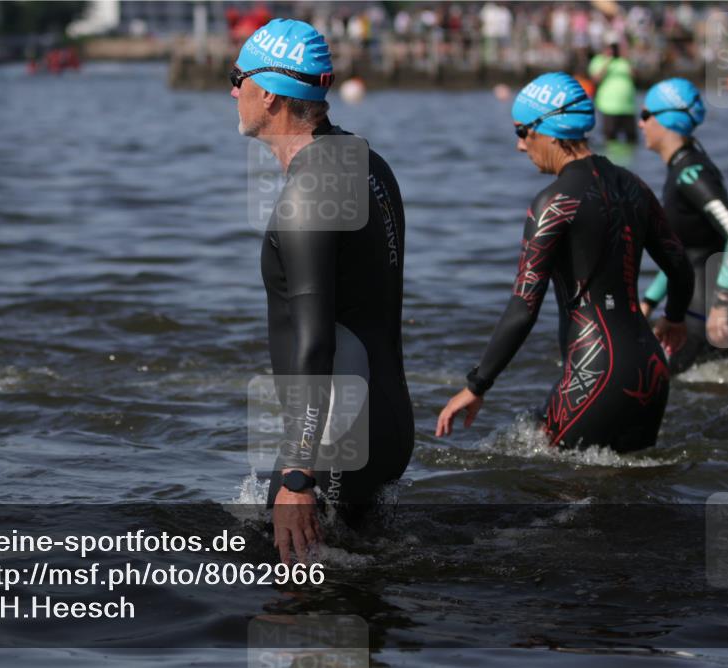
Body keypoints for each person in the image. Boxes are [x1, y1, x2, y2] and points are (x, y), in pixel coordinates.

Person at [231, 19, 414, 563]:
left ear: (268, 94)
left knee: (290, 589)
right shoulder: (368, 163)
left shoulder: (309, 193)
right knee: (363, 585)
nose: (233, 93)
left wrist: (296, 473)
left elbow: (315, 343)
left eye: (238, 79)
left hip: (336, 436)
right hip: (388, 419)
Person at [437, 73, 694, 452]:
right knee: (636, 483)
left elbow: (523, 308)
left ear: (550, 130)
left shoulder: (553, 203)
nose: (520, 146)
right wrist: (673, 317)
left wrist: (477, 385)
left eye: (522, 131)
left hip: (595, 372)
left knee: (556, 483)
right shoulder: (635, 186)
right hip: (652, 369)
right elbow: (680, 266)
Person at [638, 78, 728, 374]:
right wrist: (648, 302)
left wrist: (721, 304)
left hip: (708, 316)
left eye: (645, 115)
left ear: (667, 120)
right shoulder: (682, 170)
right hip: (698, 311)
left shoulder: (691, 173)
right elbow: (684, 252)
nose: (640, 124)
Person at [588, 42, 637, 143]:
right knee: (610, 139)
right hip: (609, 108)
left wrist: (626, 59)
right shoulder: (599, 60)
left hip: (628, 107)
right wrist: (608, 61)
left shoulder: (624, 61)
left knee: (632, 139)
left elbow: (636, 76)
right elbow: (596, 79)